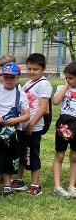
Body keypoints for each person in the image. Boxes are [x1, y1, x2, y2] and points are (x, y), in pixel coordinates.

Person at [0, 62, 30, 200]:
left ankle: (7, 187)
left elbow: (27, 115)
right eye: (6, 77)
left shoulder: (20, 94)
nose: (9, 80)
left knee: (11, 159)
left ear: (18, 77)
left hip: (14, 133)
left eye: (12, 77)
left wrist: (16, 120)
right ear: (1, 77)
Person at [12, 53, 52, 195]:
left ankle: (35, 185)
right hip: (22, 125)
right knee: (21, 152)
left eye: (35, 69)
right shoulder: (28, 83)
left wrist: (31, 125)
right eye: (29, 69)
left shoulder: (44, 84)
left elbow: (42, 108)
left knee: (32, 154)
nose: (31, 72)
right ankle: (19, 179)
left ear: (43, 69)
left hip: (33, 127)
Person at [52, 61, 76, 197]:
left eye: (71, 78)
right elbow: (55, 101)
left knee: (74, 156)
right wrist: (66, 86)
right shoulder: (63, 88)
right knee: (59, 154)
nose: (67, 80)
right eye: (66, 77)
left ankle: (72, 186)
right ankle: (57, 186)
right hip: (64, 124)